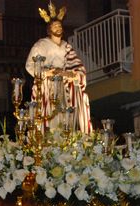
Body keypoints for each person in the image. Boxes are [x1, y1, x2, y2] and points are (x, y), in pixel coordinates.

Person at [25, 3, 92, 134]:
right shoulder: (41, 44)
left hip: (64, 84)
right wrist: (46, 73)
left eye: (60, 26)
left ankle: (65, 135)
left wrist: (73, 75)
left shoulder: (66, 46)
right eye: (55, 26)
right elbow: (30, 65)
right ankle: (49, 135)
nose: (58, 28)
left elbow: (77, 65)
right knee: (49, 114)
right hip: (47, 84)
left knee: (65, 113)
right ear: (49, 29)